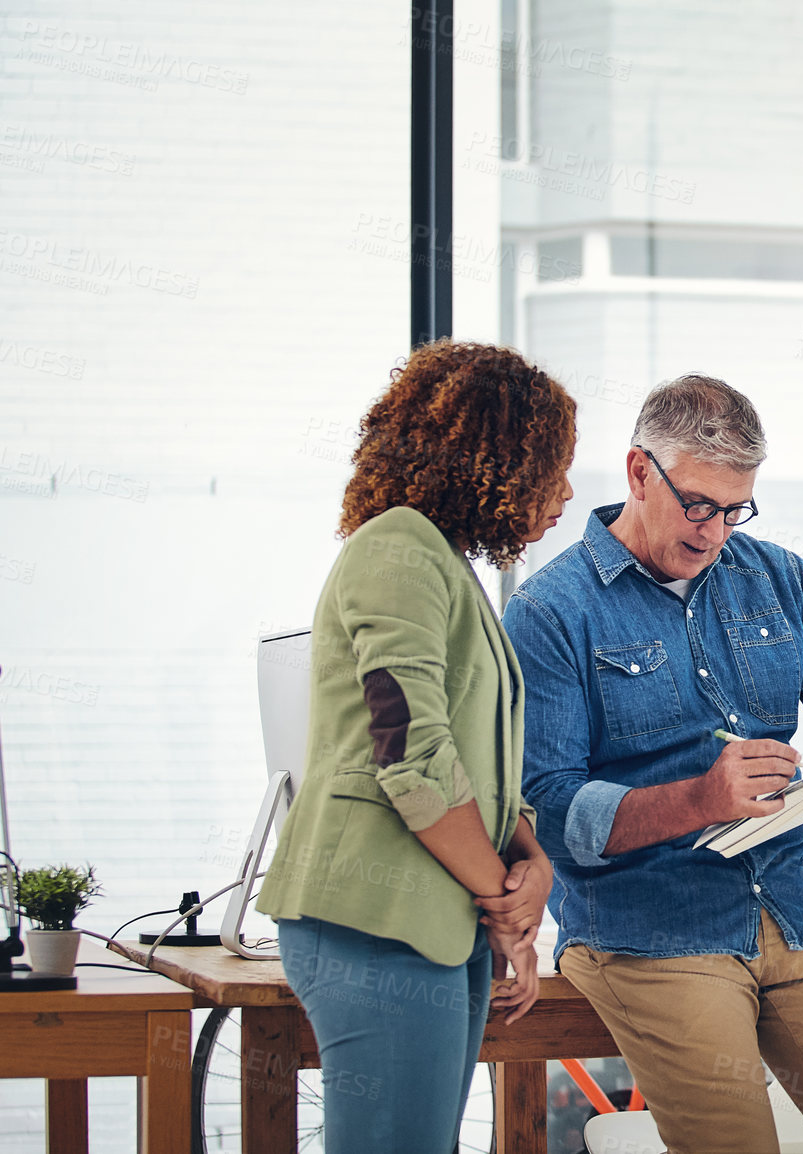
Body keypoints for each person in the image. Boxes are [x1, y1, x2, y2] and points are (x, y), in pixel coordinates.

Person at [502, 373, 803, 1154]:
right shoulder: (549, 611)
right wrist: (699, 799)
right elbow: (547, 807)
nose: (715, 531)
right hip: (646, 931)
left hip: (793, 909)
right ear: (640, 471)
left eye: (735, 507)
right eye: (699, 504)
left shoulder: (777, 579)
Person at [257, 340, 574, 1154]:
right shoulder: (397, 548)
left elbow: (481, 763)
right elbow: (412, 755)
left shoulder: (442, 563)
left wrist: (531, 866)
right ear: (495, 460)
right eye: (552, 467)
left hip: (433, 920)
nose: (566, 493)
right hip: (376, 922)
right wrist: (508, 908)